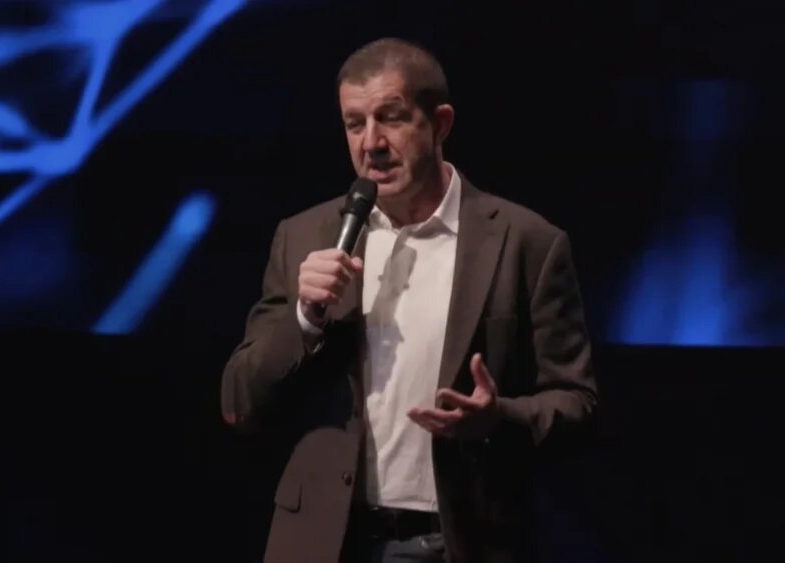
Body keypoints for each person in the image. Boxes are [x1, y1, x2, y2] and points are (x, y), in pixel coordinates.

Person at [220, 37, 599, 563]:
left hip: (456, 541)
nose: (371, 143)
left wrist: (498, 418)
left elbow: (578, 405)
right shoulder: (306, 236)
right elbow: (239, 402)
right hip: (324, 543)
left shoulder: (526, 243)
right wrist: (304, 319)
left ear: (440, 124)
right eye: (355, 124)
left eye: (391, 118)